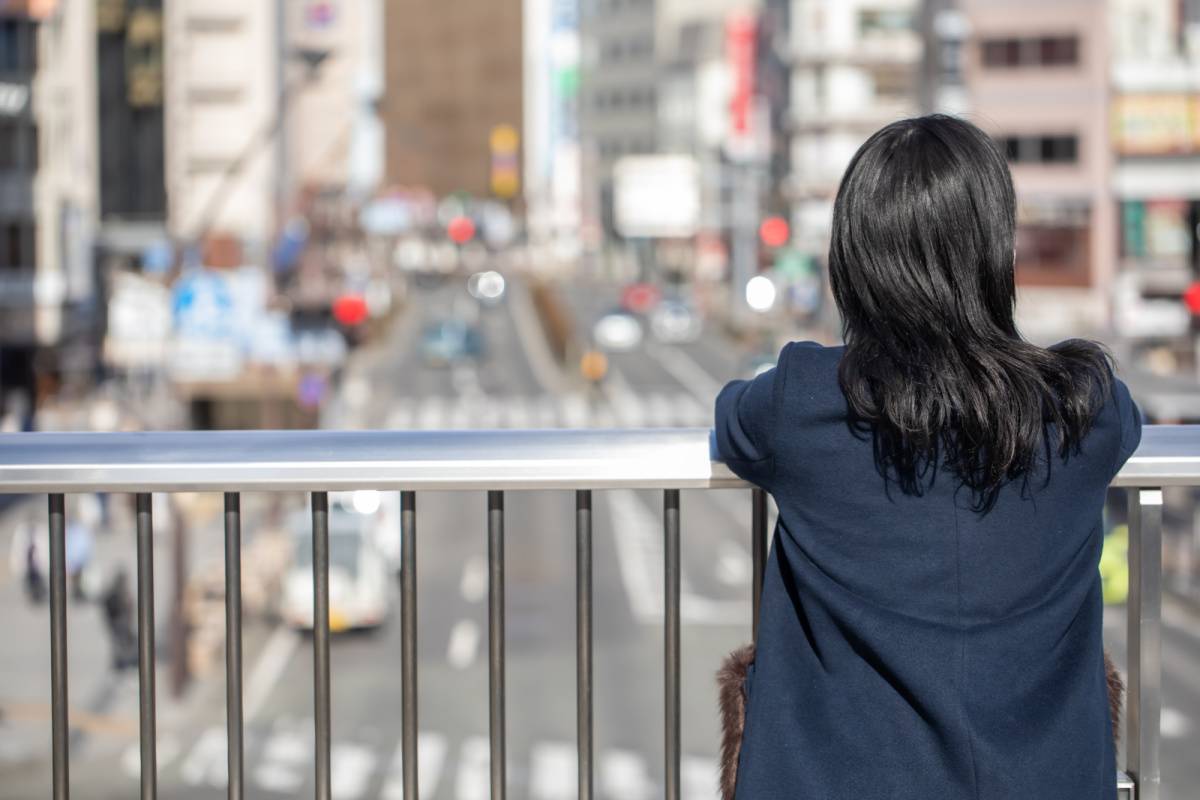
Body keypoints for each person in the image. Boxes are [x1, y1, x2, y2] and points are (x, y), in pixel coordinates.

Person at [713, 115, 1141, 800]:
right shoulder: (1085, 408)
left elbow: (731, 418)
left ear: (854, 259)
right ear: (994, 251)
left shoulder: (802, 401)